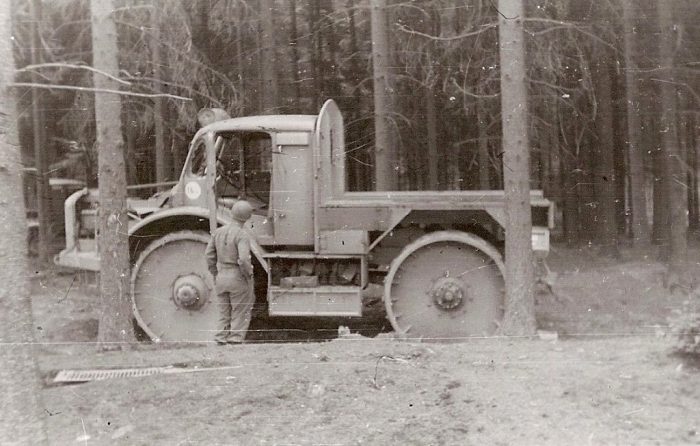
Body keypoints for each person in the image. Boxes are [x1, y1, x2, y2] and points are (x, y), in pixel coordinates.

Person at [205, 200, 255, 345]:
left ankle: (220, 338)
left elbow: (208, 255)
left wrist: (214, 272)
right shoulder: (242, 235)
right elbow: (244, 258)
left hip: (221, 276)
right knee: (240, 310)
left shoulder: (218, 232)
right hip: (237, 276)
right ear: (247, 217)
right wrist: (248, 274)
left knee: (223, 311)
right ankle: (235, 339)